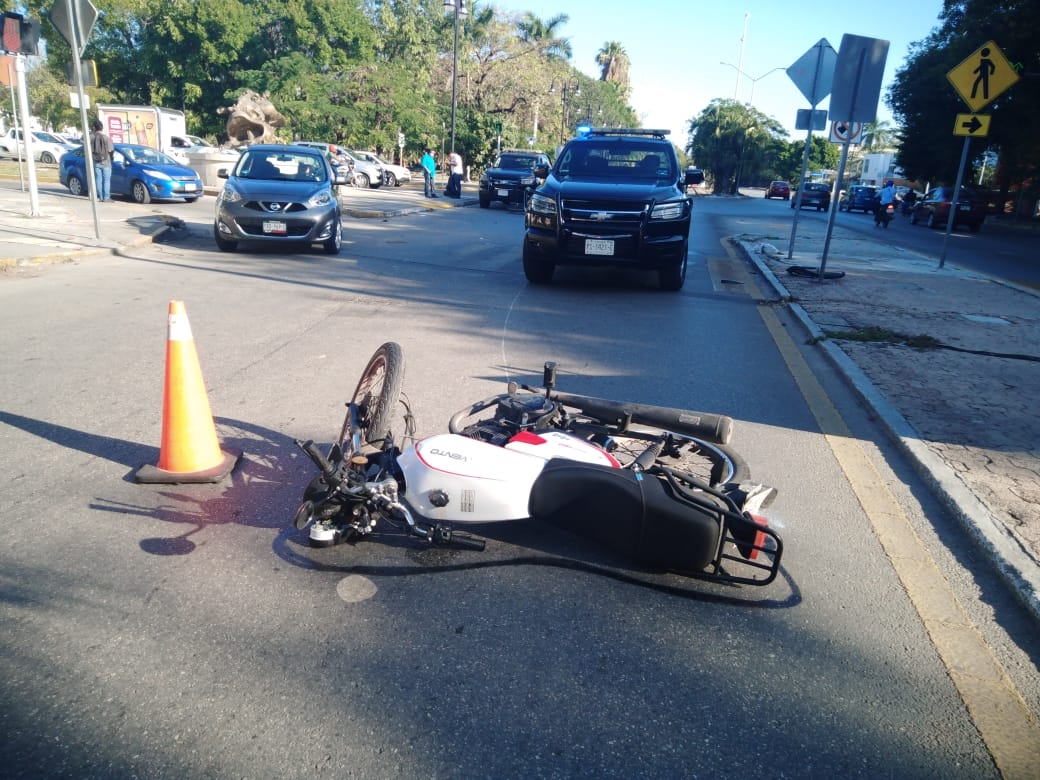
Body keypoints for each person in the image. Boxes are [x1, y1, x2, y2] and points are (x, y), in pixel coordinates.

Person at [90, 118, 114, 202]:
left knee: (98, 180)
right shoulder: (106, 138)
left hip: (96, 161)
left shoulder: (92, 138)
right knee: (106, 180)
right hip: (106, 162)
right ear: (102, 128)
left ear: (94, 128)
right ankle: (106, 197)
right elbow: (110, 150)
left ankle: (100, 197)